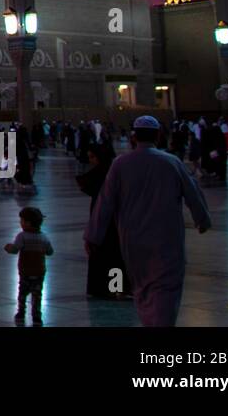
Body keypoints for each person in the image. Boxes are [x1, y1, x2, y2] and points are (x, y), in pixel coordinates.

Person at [84, 115, 210, 327]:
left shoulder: (120, 164)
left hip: (133, 240)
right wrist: (202, 220)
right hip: (167, 239)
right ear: (159, 135)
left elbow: (104, 202)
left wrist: (92, 236)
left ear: (134, 136)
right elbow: (193, 193)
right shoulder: (171, 162)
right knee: (167, 289)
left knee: (142, 289)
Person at [76, 144, 126, 299]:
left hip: (107, 220)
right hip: (112, 221)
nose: (91, 161)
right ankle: (113, 288)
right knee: (112, 256)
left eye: (93, 157)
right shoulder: (110, 172)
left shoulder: (105, 175)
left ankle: (109, 288)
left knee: (109, 255)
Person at [5, 207, 54, 325]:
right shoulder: (44, 237)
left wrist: (8, 247)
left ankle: (21, 313)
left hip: (25, 271)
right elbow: (50, 251)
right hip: (39, 272)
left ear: (28, 223)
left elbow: (15, 249)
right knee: (37, 295)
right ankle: (37, 316)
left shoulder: (22, 236)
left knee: (22, 293)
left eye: (21, 221)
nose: (20, 223)